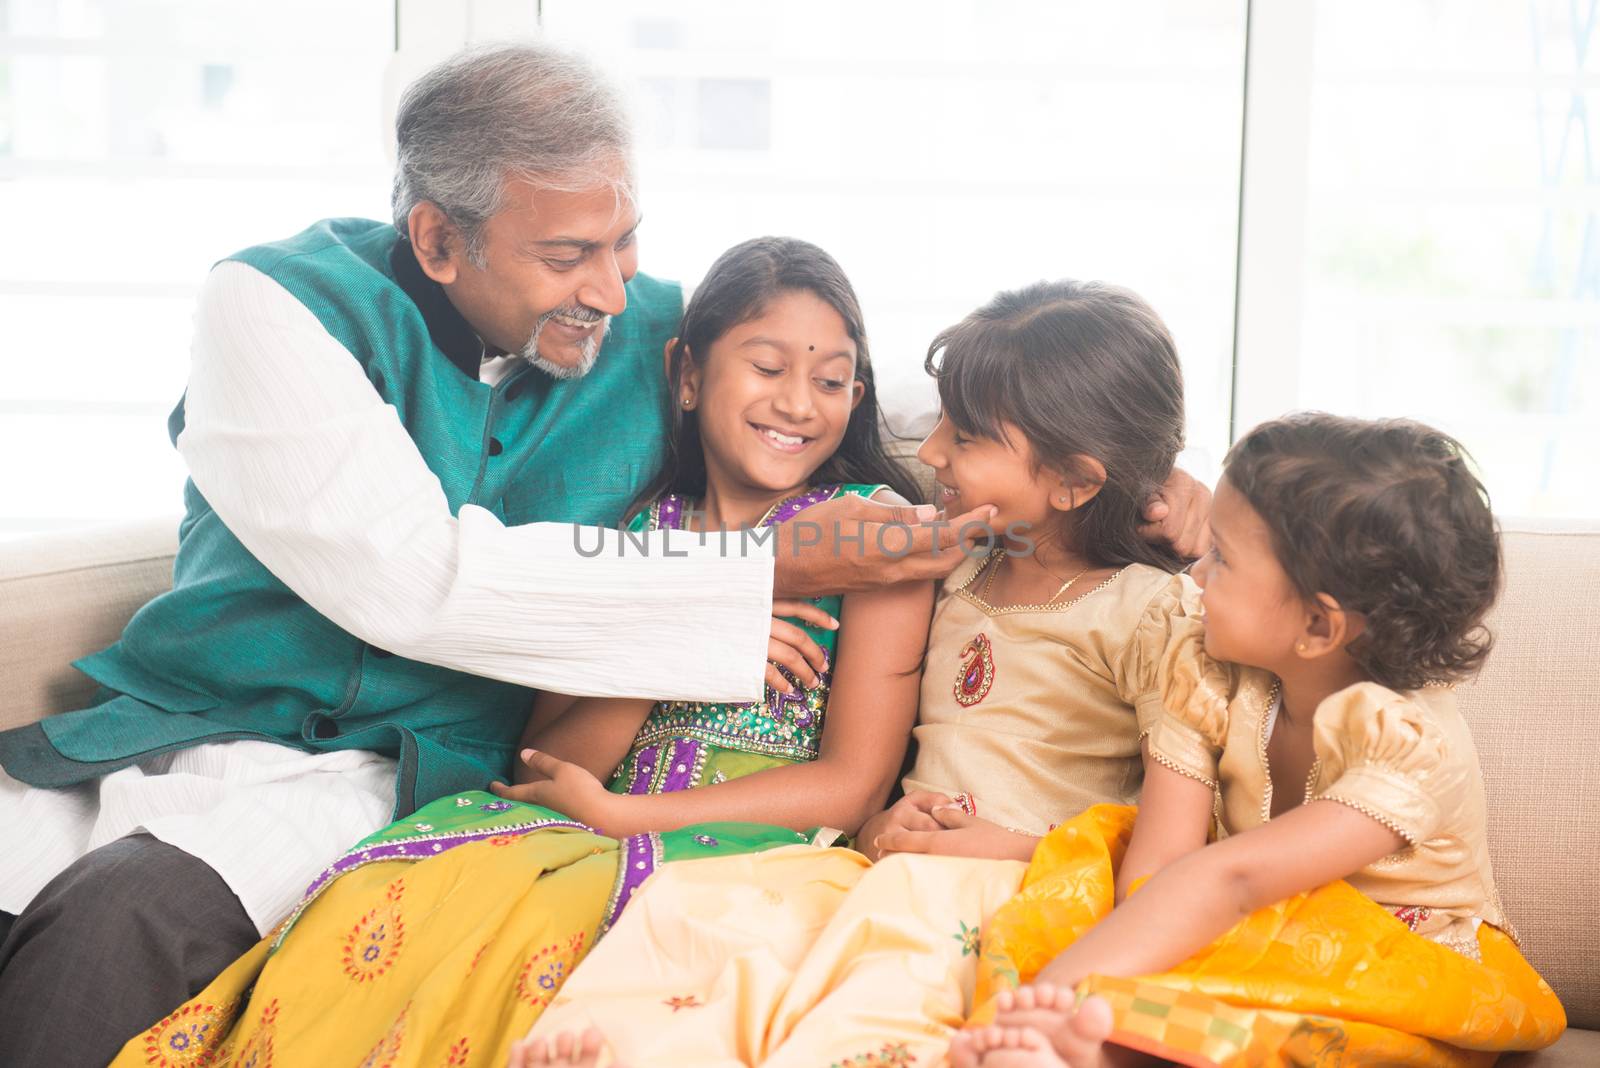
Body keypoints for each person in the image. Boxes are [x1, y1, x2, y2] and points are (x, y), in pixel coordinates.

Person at [0, 44, 997, 1068]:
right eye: (567, 256)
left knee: (113, 924)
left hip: (384, 773)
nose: (611, 290)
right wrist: (758, 573)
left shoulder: (656, 332)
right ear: (437, 238)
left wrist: (1104, 467)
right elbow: (412, 577)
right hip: (190, 726)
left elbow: (845, 384)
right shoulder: (275, 306)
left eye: (626, 242)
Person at [108, 237, 941, 1066]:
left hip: (745, 848)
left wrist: (625, 816)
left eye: (831, 381)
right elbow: (551, 755)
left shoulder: (871, 537)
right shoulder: (633, 534)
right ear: (687, 376)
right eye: (767, 368)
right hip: (574, 824)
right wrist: (676, 638)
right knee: (382, 887)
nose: (799, 403)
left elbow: (853, 782)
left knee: (553, 926)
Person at [524, 281, 1220, 1066]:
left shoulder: (1154, 613)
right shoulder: (952, 570)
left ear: (1075, 481)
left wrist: (1013, 848)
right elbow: (886, 782)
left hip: (1030, 900)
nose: (929, 453)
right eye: (940, 425)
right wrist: (882, 829)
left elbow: (1179, 855)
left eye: (965, 437)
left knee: (859, 1017)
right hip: (891, 878)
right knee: (733, 949)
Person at [957, 414, 1566, 1067]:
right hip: (1235, 917)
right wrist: (1076, 985)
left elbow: (1234, 878)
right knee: (1100, 857)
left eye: (1222, 557)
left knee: (1277, 999)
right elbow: (1160, 870)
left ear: (1316, 624)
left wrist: (1058, 997)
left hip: (1391, 970)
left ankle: (1088, 1041)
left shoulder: (1410, 745)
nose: (1193, 571)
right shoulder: (1207, 666)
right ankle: (1089, 1036)